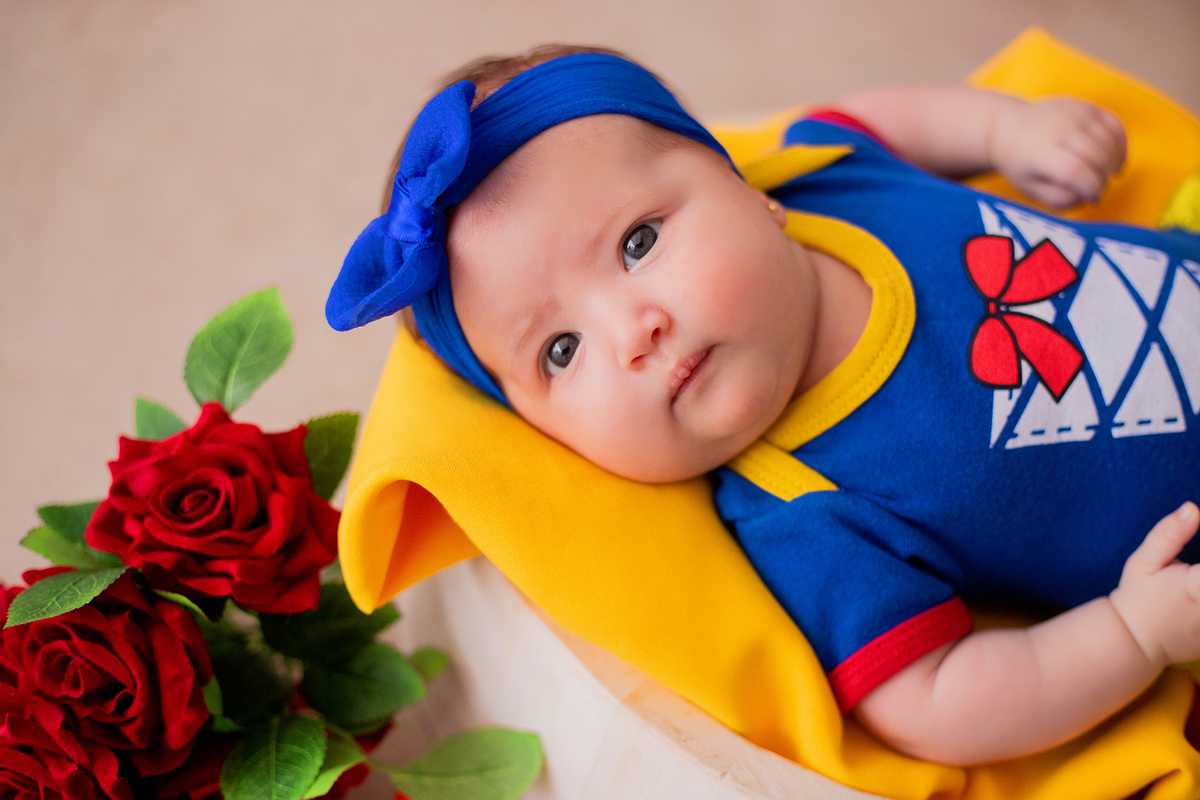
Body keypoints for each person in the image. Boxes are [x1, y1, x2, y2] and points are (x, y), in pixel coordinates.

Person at [325, 45, 1200, 765]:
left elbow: (877, 119)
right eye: (561, 351)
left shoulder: (824, 181)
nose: (635, 332)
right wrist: (1131, 634)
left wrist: (1008, 127)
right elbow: (932, 699)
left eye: (637, 243)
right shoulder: (801, 510)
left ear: (747, 186)